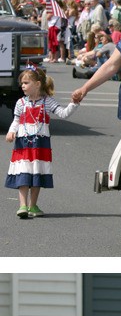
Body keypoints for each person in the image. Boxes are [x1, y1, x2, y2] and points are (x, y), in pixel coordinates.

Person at [5, 64, 79, 217]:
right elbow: (16, 120)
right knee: (23, 172)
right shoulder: (20, 103)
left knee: (36, 173)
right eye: (22, 83)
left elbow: (63, 113)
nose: (23, 86)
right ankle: (22, 206)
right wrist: (12, 131)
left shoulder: (47, 102)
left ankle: (33, 206)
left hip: (40, 146)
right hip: (23, 145)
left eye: (26, 83)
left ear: (37, 84)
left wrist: (74, 103)